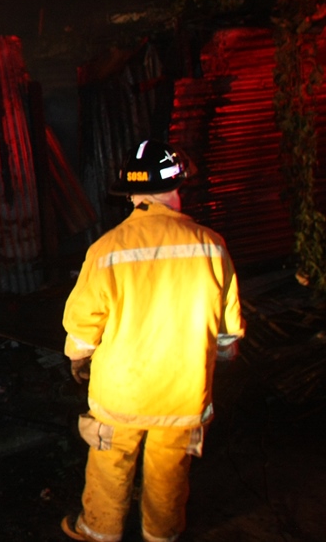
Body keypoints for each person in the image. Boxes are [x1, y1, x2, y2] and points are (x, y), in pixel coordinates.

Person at [60, 139, 246, 542]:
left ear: (130, 194)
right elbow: (229, 331)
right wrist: (225, 353)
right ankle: (161, 535)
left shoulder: (106, 250)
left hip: (121, 394)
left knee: (110, 464)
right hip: (183, 392)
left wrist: (78, 358)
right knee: (169, 471)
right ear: (177, 189)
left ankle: (98, 532)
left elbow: (81, 330)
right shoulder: (211, 245)